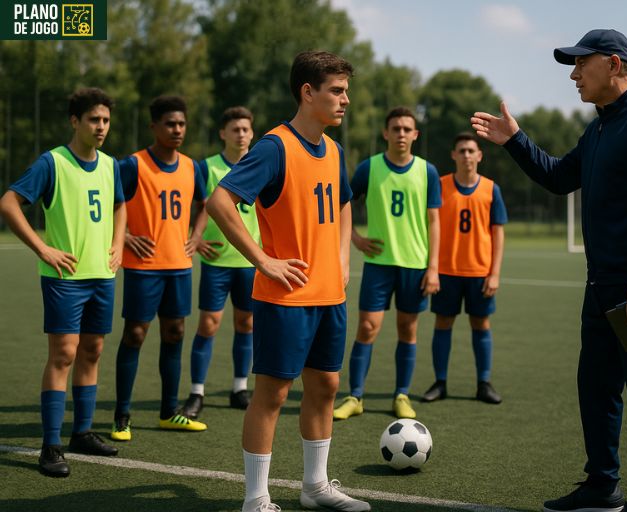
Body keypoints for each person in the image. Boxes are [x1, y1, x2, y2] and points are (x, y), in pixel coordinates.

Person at [471, 29, 627, 512]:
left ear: (613, 65)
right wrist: (516, 141)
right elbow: (557, 178)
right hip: (603, 283)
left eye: (580, 64)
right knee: (597, 387)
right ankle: (601, 484)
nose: (573, 75)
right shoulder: (599, 128)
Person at [207, 50, 370, 512]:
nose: (345, 100)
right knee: (273, 394)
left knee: (325, 388)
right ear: (308, 92)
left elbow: (341, 205)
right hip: (285, 298)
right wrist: (263, 260)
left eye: (345, 91)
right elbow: (220, 203)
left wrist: (342, 262)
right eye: (337, 91)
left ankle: (314, 487)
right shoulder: (274, 146)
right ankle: (255, 498)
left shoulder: (335, 149)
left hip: (329, 296)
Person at [0, 88, 125, 477]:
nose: (101, 127)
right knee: (64, 355)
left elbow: (122, 204)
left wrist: (118, 245)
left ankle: (82, 432)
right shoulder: (52, 162)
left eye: (105, 120)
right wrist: (43, 249)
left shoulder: (109, 164)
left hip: (101, 276)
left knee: (92, 352)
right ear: (75, 121)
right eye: (93, 120)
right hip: (64, 278)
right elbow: (8, 203)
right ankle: (50, 444)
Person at [332, 106, 441, 421]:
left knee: (408, 329)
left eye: (407, 129)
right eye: (396, 129)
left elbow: (435, 220)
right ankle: (355, 396)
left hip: (414, 264)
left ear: (415, 135)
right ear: (386, 133)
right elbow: (344, 202)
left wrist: (433, 267)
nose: (402, 134)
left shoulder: (427, 171)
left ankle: (401, 395)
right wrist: (354, 237)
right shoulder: (370, 167)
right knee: (367, 328)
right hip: (378, 263)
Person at [111, 95, 208, 442]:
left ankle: (169, 412)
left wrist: (196, 237)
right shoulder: (132, 165)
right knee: (135, 335)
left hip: (179, 266)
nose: (177, 129)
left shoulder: (192, 167)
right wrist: (123, 236)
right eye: (170, 123)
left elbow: (207, 204)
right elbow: (107, 204)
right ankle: (121, 416)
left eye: (181, 123)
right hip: (143, 268)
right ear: (154, 126)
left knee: (175, 334)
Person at [180, 106, 259, 420]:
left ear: (252, 133)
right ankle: (196, 391)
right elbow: (201, 206)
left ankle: (239, 388)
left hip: (251, 262)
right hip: (218, 262)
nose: (241, 134)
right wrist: (196, 238)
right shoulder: (208, 167)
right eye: (235, 129)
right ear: (223, 134)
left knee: (247, 324)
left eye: (245, 129)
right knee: (208, 324)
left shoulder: (261, 163)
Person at [421, 132, 508, 405]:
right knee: (443, 322)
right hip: (446, 271)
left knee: (480, 323)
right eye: (462, 150)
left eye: (472, 150)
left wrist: (494, 273)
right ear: (454, 155)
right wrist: (432, 268)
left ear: (480, 156)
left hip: (480, 272)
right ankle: (440, 382)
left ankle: (484, 383)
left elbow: (498, 233)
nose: (467, 155)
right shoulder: (441, 185)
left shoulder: (491, 189)